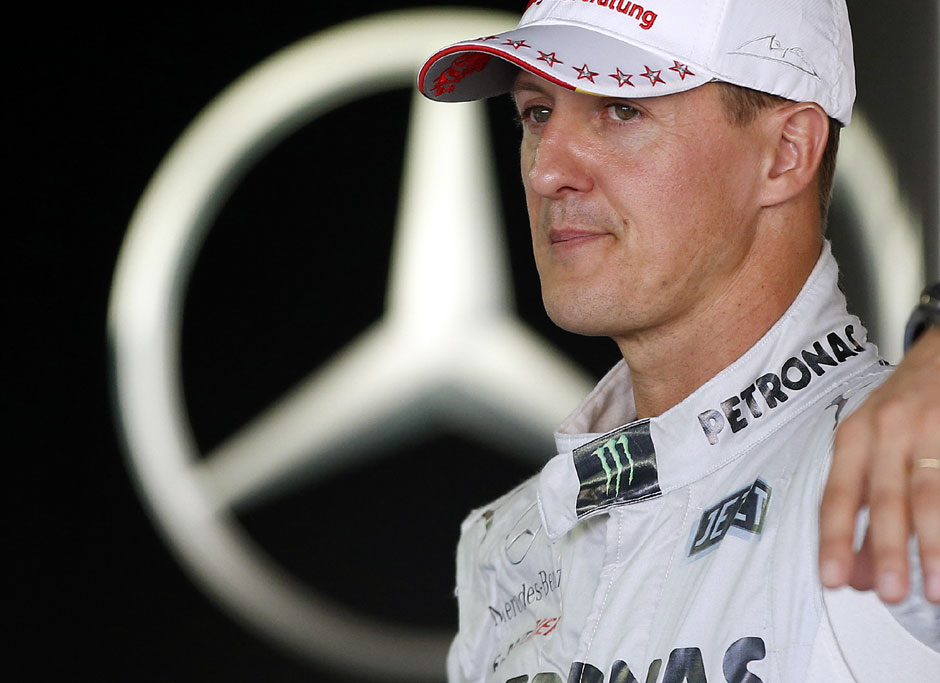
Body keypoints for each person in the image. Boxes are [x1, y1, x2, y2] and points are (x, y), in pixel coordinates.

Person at [417, 0, 939, 680]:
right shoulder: (508, 546)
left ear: (786, 153)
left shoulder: (895, 471)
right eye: (537, 113)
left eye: (621, 109)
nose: (546, 171)